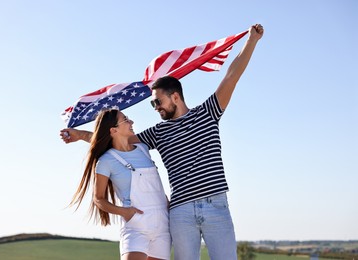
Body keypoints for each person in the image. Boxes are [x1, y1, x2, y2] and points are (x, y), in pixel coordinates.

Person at [62, 24, 264, 260]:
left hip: (215, 206)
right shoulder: (158, 133)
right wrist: (79, 135)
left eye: (157, 102)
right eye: (153, 104)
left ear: (175, 96)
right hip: (180, 212)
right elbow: (116, 139)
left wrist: (251, 41)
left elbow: (232, 77)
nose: (155, 108)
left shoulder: (208, 113)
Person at [68, 109, 171, 260]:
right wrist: (124, 212)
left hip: (162, 224)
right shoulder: (106, 161)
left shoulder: (143, 148)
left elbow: (99, 138)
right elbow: (99, 199)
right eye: (126, 120)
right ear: (114, 130)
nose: (131, 122)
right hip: (136, 226)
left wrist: (79, 134)